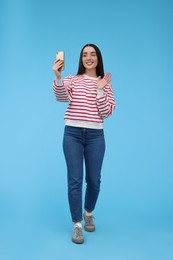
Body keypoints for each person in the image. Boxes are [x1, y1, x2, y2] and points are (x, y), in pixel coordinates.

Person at [52, 44, 116, 244]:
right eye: (85, 55)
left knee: (94, 180)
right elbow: (61, 97)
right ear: (81, 59)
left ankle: (88, 211)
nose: (89, 58)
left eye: (93, 54)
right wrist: (58, 77)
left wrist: (99, 91)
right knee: (75, 180)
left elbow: (106, 112)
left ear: (98, 58)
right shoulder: (72, 79)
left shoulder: (105, 83)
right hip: (72, 134)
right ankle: (77, 225)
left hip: (96, 136)